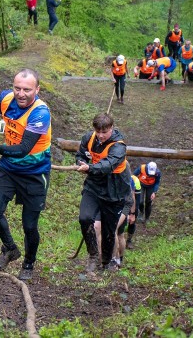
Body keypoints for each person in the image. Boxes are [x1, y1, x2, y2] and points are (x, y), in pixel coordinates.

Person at [0, 68, 51, 281]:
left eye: (27, 89)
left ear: (37, 89)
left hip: (35, 173)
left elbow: (24, 148)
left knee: (29, 225)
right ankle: (9, 248)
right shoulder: (6, 98)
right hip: (9, 168)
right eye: (17, 88)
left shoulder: (40, 113)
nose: (21, 93)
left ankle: (29, 262)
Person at [75, 113, 130, 273]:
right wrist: (81, 162)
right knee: (84, 218)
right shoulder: (88, 138)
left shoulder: (119, 146)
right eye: (97, 132)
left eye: (104, 132)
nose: (100, 136)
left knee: (108, 229)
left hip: (114, 189)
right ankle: (93, 255)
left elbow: (108, 165)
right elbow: (80, 154)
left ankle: (106, 262)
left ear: (111, 128)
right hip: (93, 185)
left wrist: (90, 168)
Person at [124, 174, 142, 250]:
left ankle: (129, 240)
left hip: (134, 196)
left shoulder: (135, 182)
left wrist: (132, 213)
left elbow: (135, 200)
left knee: (132, 221)